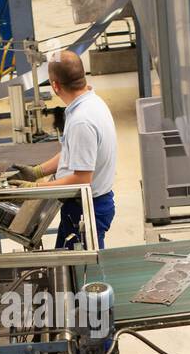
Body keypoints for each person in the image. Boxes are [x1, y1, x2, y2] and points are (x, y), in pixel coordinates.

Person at [12, 50, 117, 249]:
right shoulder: (91, 102)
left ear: (55, 86)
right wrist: (38, 172)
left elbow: (82, 180)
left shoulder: (81, 121)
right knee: (68, 268)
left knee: (82, 274)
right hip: (83, 206)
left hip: (86, 210)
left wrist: (35, 189)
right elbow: (73, 153)